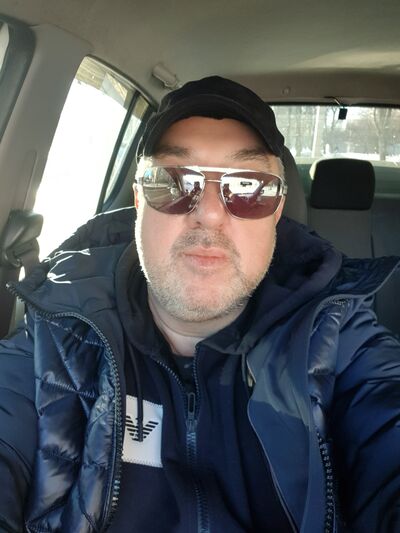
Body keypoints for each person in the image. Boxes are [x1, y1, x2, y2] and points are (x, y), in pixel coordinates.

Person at [0, 76, 399, 533]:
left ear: (277, 210)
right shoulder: (56, 335)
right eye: (173, 181)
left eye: (248, 186)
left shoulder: (340, 339)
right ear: (139, 200)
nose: (208, 213)